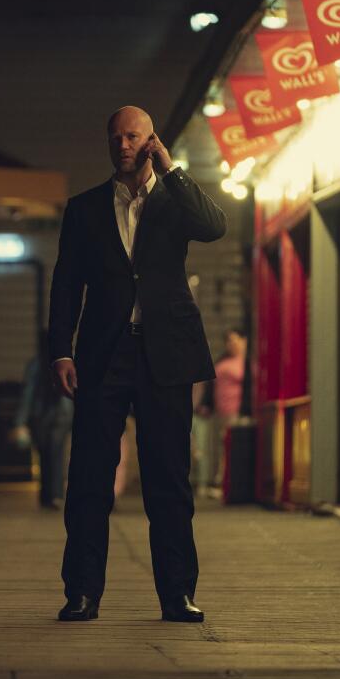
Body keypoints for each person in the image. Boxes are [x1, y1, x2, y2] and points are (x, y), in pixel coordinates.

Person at [48, 105, 226, 623]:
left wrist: (171, 169)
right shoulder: (84, 209)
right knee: (88, 480)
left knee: (169, 479)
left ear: (150, 143)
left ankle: (177, 595)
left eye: (133, 137)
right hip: (103, 356)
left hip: (165, 356)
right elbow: (65, 286)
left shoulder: (175, 200)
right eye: (116, 137)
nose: (123, 145)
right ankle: (81, 593)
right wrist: (61, 349)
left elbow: (215, 226)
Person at [11, 331, 74, 509]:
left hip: (41, 416)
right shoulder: (64, 362)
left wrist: (20, 420)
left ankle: (48, 494)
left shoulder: (36, 364)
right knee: (56, 453)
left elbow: (27, 394)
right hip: (62, 413)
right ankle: (54, 494)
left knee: (46, 454)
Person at [208, 328, 247, 496]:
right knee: (224, 446)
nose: (232, 344)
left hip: (239, 409)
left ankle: (227, 483)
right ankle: (222, 482)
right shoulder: (224, 362)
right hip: (224, 411)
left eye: (236, 340)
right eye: (229, 341)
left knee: (230, 447)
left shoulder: (245, 362)